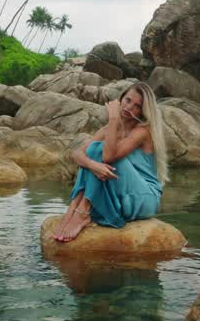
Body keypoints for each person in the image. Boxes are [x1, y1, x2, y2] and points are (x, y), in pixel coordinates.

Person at [53, 81, 169, 242]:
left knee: (99, 150)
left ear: (143, 111)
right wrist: (93, 165)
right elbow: (77, 154)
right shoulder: (107, 130)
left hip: (144, 197)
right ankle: (72, 209)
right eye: (128, 100)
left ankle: (83, 212)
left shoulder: (143, 131)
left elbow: (109, 156)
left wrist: (113, 117)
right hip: (121, 196)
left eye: (137, 106)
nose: (129, 108)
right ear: (121, 98)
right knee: (93, 151)